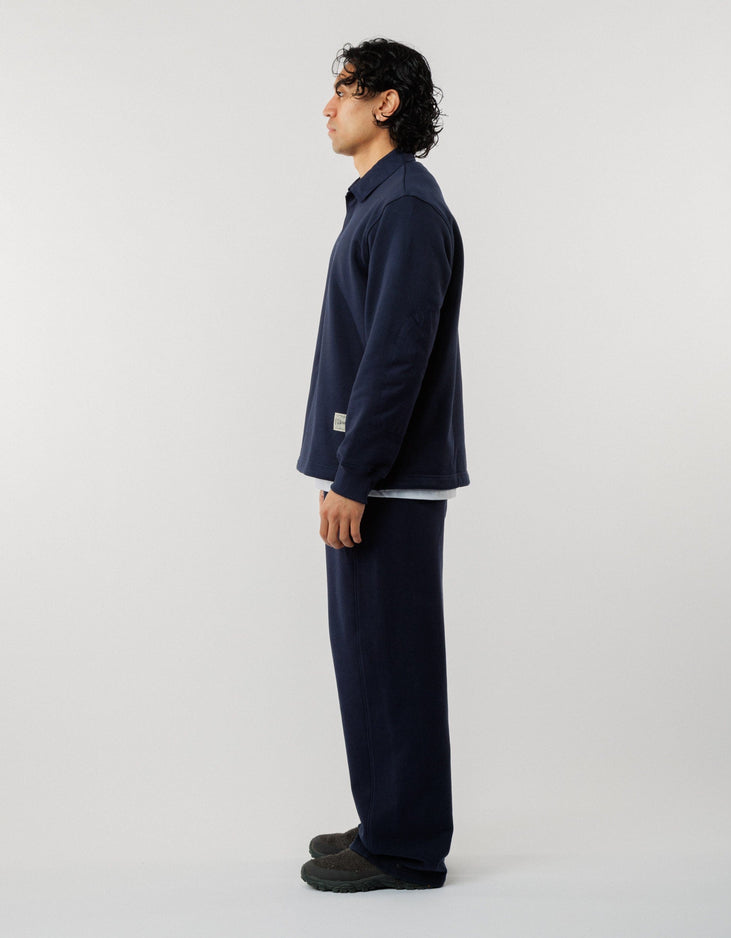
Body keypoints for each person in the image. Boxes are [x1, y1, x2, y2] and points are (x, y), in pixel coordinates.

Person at [296, 37, 469, 892]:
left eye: (346, 89)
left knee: (391, 659)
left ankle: (405, 847)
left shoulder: (404, 208)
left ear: (386, 103)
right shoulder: (380, 201)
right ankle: (388, 819)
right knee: (370, 655)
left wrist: (353, 477)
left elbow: (396, 357)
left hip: (385, 481)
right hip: (374, 474)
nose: (330, 107)